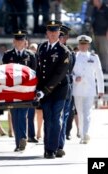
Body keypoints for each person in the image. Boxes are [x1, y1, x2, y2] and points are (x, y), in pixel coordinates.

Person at [36, 20, 70, 159]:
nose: (53, 34)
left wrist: (45, 90)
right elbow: (38, 70)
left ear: (59, 34)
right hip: (44, 90)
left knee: (55, 119)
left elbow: (59, 74)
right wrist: (38, 89)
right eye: (50, 31)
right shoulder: (42, 47)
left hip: (58, 90)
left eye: (55, 32)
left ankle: (52, 149)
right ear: (47, 33)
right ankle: (47, 147)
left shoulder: (63, 51)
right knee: (47, 118)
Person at [2, 30, 37, 152]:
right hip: (12, 91)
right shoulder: (7, 55)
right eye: (17, 40)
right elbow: (3, 72)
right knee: (14, 116)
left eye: (21, 40)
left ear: (25, 42)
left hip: (25, 91)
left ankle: (22, 138)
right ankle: (18, 143)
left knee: (22, 114)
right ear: (14, 42)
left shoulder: (31, 55)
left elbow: (34, 73)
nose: (19, 42)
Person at [72, 35, 104, 144]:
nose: (83, 46)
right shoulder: (74, 57)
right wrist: (74, 78)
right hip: (77, 89)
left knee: (87, 112)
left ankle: (86, 133)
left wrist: (101, 89)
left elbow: (99, 73)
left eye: (85, 44)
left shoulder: (94, 57)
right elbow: (69, 72)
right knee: (80, 112)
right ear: (78, 45)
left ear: (88, 45)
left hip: (90, 89)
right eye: (81, 44)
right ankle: (81, 133)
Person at [57, 25, 76, 157]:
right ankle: (51, 144)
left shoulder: (69, 52)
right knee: (52, 119)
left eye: (62, 36)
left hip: (65, 88)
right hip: (51, 90)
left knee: (63, 118)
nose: (60, 38)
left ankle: (59, 145)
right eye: (59, 35)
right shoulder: (48, 49)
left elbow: (69, 70)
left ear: (66, 38)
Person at [91, 0, 108, 73]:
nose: (93, 2)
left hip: (104, 34)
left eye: (94, 1)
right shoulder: (94, 9)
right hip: (96, 33)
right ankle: (100, 68)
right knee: (97, 52)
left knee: (104, 51)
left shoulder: (106, 9)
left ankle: (105, 68)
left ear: (98, 1)